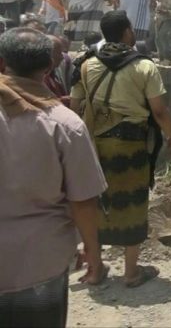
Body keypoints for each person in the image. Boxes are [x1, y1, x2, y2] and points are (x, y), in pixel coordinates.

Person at [0, 28, 107, 327]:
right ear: (49, 67)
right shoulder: (65, 125)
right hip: (39, 265)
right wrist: (93, 254)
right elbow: (84, 200)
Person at [70, 11, 171, 288]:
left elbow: (75, 107)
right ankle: (131, 273)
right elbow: (159, 110)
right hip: (131, 145)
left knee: (93, 204)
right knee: (132, 202)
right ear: (128, 32)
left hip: (94, 145)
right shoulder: (144, 67)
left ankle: (96, 271)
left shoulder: (85, 65)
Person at [43, 36, 71, 107]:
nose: (62, 57)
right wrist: (60, 100)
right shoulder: (38, 77)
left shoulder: (52, 74)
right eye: (59, 53)